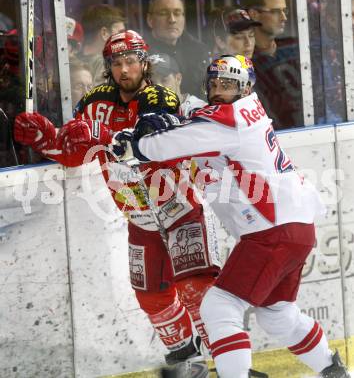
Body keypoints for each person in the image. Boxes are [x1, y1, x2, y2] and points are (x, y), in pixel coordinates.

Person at [110, 54, 351, 378]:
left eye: (229, 85)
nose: (220, 90)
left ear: (246, 87)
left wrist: (136, 143)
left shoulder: (228, 120)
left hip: (272, 231)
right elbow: (197, 117)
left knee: (219, 307)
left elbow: (163, 146)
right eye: (216, 84)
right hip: (295, 228)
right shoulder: (238, 111)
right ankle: (336, 372)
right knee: (277, 314)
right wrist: (175, 116)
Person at [14, 30, 220, 376]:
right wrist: (45, 138)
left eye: (131, 62)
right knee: (150, 296)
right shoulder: (95, 102)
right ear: (109, 67)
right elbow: (76, 152)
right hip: (140, 221)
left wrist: (100, 137)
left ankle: (231, 365)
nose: (125, 70)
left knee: (196, 290)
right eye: (117, 64)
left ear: (144, 63)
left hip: (181, 212)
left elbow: (142, 143)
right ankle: (188, 360)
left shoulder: (160, 97)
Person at [240, 0, 303, 130]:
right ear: (254, 14)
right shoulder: (246, 62)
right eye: (275, 12)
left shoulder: (294, 45)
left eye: (284, 11)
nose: (284, 17)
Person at [145, 0, 210, 98]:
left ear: (184, 18)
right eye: (163, 13)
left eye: (177, 13)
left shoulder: (199, 50)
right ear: (150, 19)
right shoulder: (140, 53)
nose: (172, 20)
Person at [79, 4, 126, 86]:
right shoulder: (105, 65)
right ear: (104, 33)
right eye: (120, 33)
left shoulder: (73, 61)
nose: (124, 39)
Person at [149, 52, 206, 116]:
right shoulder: (145, 111)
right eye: (151, 82)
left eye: (164, 80)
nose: (157, 87)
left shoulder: (200, 109)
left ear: (178, 79)